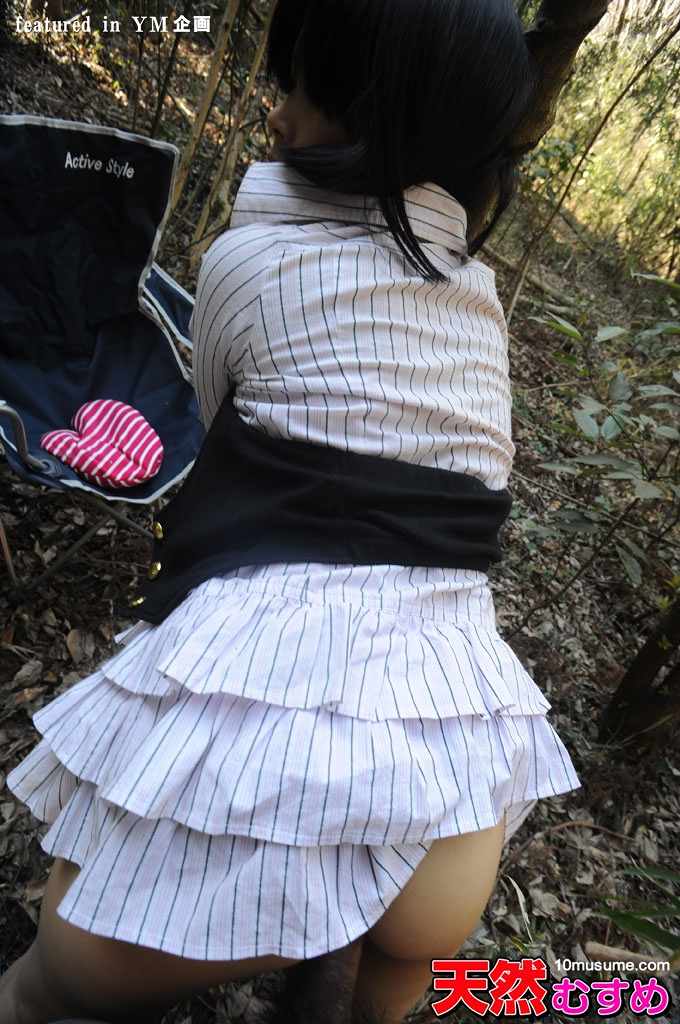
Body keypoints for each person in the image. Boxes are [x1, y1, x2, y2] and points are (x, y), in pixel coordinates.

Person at [0, 1, 583, 1022]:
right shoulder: (481, 302)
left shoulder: (249, 262)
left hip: (241, 781)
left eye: (305, 92)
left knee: (47, 985)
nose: (278, 111)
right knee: (393, 977)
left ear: (365, 127)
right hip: (451, 816)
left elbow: (222, 432)